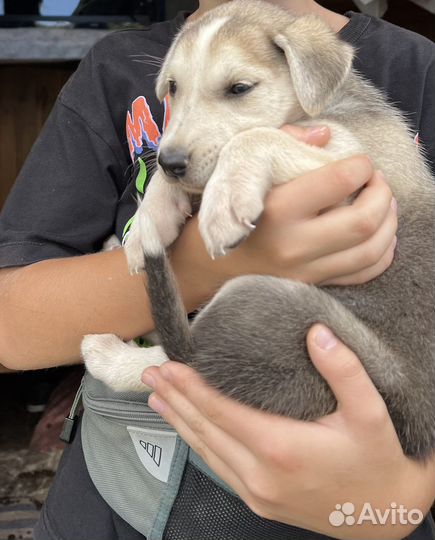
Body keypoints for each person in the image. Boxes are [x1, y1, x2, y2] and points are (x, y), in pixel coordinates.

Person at [0, 0, 433, 538]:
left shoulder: (418, 71)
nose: (176, 140)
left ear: (308, 72)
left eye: (237, 89)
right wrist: (198, 267)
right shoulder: (114, 68)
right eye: (174, 92)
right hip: (118, 497)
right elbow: (8, 323)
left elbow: (348, 159)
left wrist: (406, 495)